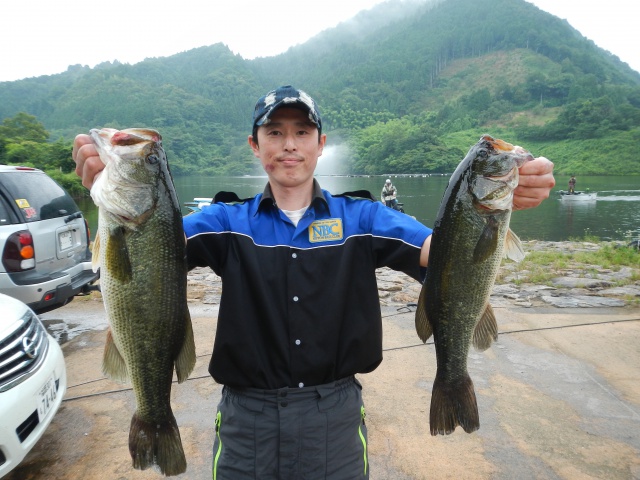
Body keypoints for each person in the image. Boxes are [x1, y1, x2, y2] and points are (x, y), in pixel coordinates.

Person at [73, 85, 555, 479]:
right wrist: (105, 189)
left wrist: (498, 204)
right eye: (275, 132)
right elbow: (145, 252)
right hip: (246, 421)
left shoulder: (364, 217)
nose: (289, 144)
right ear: (255, 145)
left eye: (303, 131)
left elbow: (442, 255)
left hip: (336, 418)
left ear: (320, 143)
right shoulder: (224, 221)